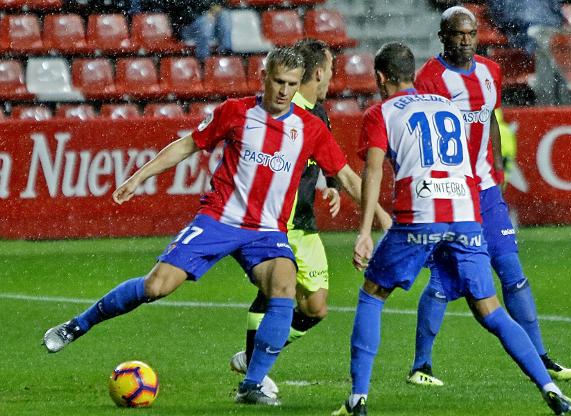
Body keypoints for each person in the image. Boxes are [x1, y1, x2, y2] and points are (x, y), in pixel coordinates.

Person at [41, 47, 374, 408]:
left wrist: (375, 226)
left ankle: (252, 383)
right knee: (156, 285)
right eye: (278, 81)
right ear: (263, 76)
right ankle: (77, 325)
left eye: (291, 84)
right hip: (218, 219)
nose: (283, 90)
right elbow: (188, 145)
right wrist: (140, 176)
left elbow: (347, 177)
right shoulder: (236, 112)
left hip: (267, 232)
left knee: (284, 283)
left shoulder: (310, 128)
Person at [332, 41, 571, 416]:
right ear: (412, 74)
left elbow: (374, 170)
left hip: (421, 213)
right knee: (491, 309)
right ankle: (549, 389)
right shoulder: (448, 106)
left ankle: (358, 398)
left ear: (380, 78)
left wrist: (365, 231)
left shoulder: (380, 112)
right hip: (466, 214)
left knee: (372, 295)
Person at [409, 5, 571, 387]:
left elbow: (490, 120)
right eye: (458, 34)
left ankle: (541, 356)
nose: (466, 41)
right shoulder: (430, 79)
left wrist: (498, 172)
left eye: (471, 34)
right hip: (450, 192)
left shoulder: (491, 72)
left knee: (512, 273)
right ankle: (421, 365)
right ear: (443, 37)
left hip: (485, 189)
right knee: (445, 279)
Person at [228, 39, 392, 396]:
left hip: (303, 223)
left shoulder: (316, 114)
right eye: (331, 70)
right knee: (276, 291)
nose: (332, 77)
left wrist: (331, 185)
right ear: (319, 72)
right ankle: (254, 377)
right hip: (273, 223)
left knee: (316, 307)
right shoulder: (277, 110)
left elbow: (330, 163)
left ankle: (253, 358)